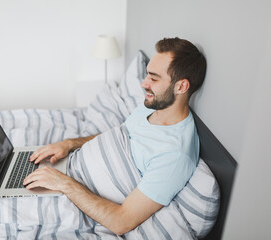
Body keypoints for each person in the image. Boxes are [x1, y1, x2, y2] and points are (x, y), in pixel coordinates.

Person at [23, 37, 207, 236]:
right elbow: (119, 137)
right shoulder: (152, 108)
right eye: (146, 75)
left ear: (181, 87)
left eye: (154, 79)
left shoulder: (175, 155)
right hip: (65, 171)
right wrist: (70, 144)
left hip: (73, 199)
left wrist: (63, 184)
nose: (144, 84)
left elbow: (121, 221)